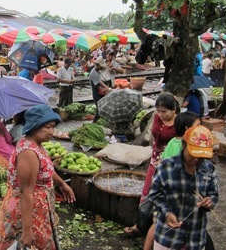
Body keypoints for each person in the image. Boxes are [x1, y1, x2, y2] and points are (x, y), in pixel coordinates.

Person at [0, 104, 75, 250]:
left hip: (36, 207)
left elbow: (47, 167)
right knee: (26, 244)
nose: (52, 132)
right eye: (48, 127)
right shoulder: (28, 153)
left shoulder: (37, 144)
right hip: (26, 210)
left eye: (53, 127)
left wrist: (62, 184)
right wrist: (27, 230)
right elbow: (26, 192)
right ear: (35, 126)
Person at [149, 125, 218, 250]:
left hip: (195, 236)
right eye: (193, 155)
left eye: (201, 156)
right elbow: (154, 194)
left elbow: (213, 194)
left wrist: (209, 201)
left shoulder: (208, 168)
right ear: (184, 145)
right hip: (169, 237)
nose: (196, 159)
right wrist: (167, 212)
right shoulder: (166, 167)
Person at [124, 93, 178, 236]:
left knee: (164, 196)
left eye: (164, 111)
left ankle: (159, 227)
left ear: (174, 109)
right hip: (154, 162)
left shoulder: (180, 124)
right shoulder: (157, 118)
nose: (160, 114)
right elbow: (153, 137)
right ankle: (140, 224)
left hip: (170, 167)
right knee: (147, 193)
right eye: (158, 111)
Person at [89, 57, 111, 122]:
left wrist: (106, 88)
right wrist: (106, 88)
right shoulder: (93, 73)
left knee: (102, 108)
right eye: (101, 66)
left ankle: (100, 121)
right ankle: (94, 122)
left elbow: (100, 81)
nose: (102, 68)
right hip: (96, 94)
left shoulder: (97, 71)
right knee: (100, 110)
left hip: (99, 93)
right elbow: (98, 84)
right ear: (97, 65)